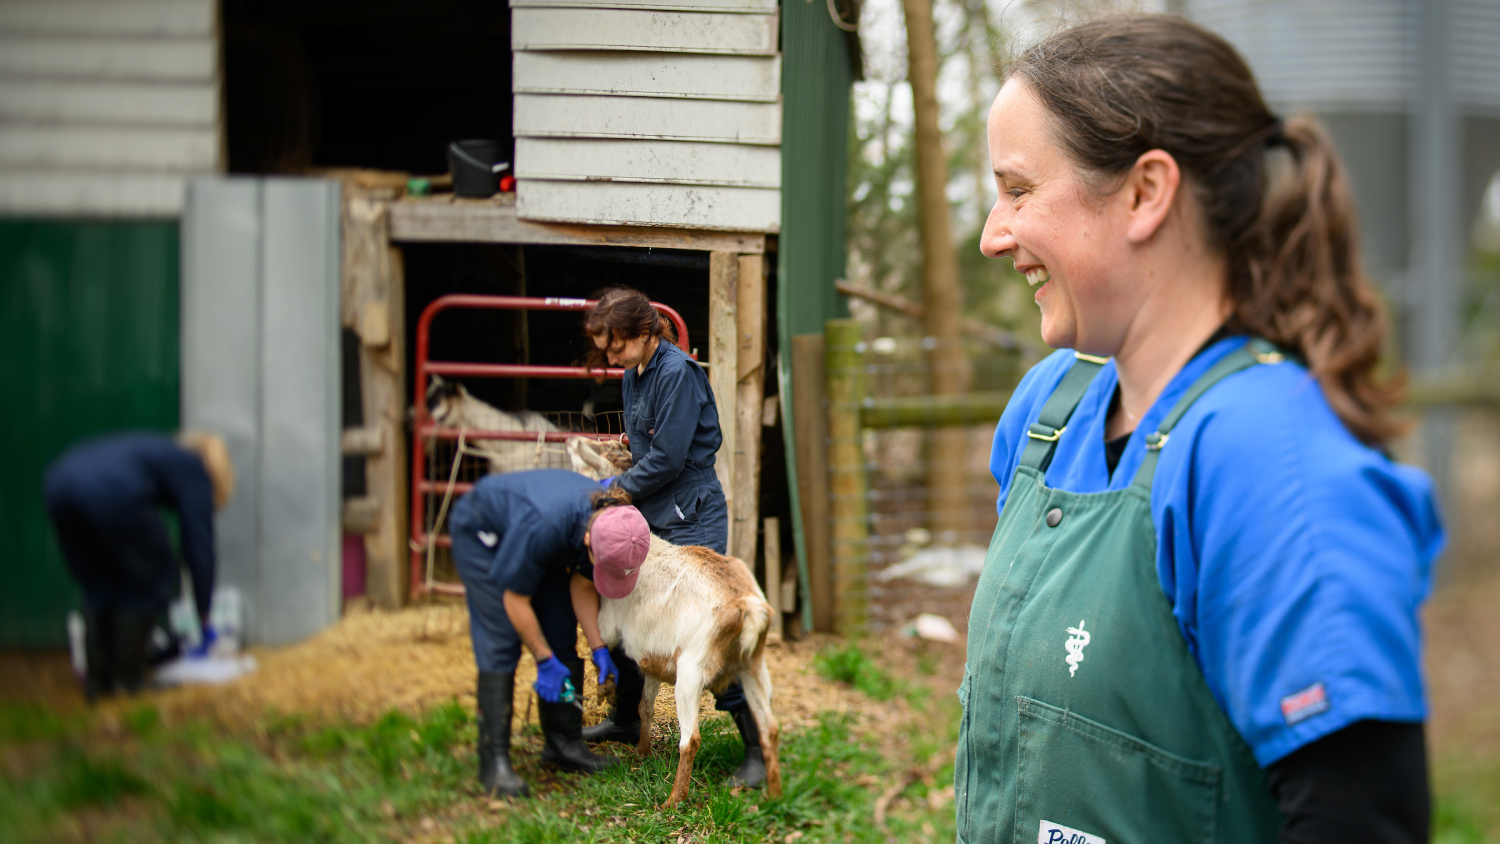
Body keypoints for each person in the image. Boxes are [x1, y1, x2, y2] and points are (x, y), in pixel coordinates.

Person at [957, 15, 1444, 844]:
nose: (992, 235)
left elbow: (1358, 816)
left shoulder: (1267, 457)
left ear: (1146, 192)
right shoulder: (1047, 408)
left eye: (1020, 189)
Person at [577, 287, 768, 790]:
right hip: (651, 510)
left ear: (644, 332)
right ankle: (624, 720)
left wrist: (615, 490)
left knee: (702, 637)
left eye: (615, 344)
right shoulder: (632, 375)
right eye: (605, 348)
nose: (611, 355)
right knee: (625, 609)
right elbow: (646, 447)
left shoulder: (678, 374)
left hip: (689, 513)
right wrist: (620, 456)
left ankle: (754, 750)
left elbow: (668, 458)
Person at [450, 468, 650, 798]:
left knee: (560, 629)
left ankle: (564, 745)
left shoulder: (613, 523)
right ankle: (493, 761)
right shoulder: (542, 524)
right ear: (588, 541)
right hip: (483, 532)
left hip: (543, 537)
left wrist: (599, 648)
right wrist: (543, 660)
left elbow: (583, 583)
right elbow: (515, 600)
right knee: (502, 637)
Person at [43, 431, 236, 702]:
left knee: (100, 583)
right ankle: (128, 679)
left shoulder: (155, 454)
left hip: (58, 485)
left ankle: (98, 683)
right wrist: (203, 610)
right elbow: (199, 545)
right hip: (112, 491)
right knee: (153, 577)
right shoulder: (194, 468)